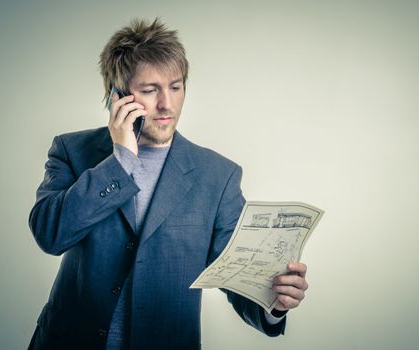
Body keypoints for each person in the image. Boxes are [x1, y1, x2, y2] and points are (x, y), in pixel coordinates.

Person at [28, 18, 309, 350]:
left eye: (175, 87)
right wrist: (120, 161)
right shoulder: (72, 151)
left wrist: (274, 303)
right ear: (118, 96)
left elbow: (235, 276)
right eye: (150, 90)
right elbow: (49, 235)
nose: (167, 104)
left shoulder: (217, 176)